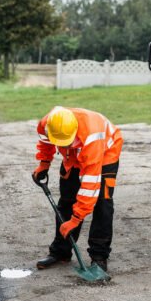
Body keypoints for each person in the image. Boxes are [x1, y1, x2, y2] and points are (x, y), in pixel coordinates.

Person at [32, 106, 123, 273]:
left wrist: (76, 219)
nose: (60, 144)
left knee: (102, 203)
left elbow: (90, 185)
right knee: (67, 200)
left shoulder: (93, 135)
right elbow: (45, 141)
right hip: (72, 154)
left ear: (74, 132)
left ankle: (99, 256)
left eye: (65, 141)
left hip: (105, 153)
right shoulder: (48, 124)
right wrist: (44, 163)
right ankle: (61, 251)